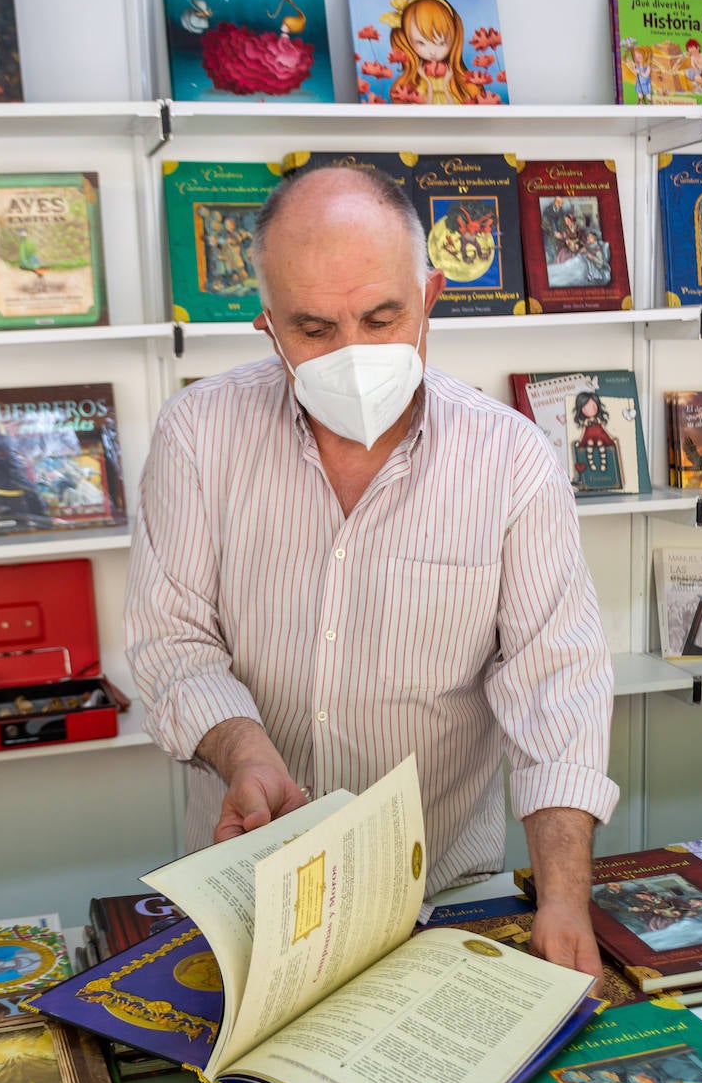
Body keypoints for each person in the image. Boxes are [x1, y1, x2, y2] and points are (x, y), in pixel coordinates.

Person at [125, 166, 618, 985]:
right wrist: (244, 752)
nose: (353, 354)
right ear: (270, 327)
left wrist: (563, 898)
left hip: (446, 895)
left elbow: (555, 687)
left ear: (429, 296)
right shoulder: (197, 436)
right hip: (248, 888)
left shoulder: (511, 460)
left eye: (382, 317)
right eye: (315, 330)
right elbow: (171, 641)